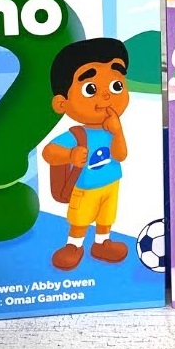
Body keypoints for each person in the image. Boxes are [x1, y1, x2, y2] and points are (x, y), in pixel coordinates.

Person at [42, 38, 130, 271]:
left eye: (116, 86)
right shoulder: (77, 133)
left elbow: (121, 155)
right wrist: (70, 155)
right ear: (61, 103)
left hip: (111, 183)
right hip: (85, 187)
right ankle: (74, 245)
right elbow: (49, 152)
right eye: (91, 89)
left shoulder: (112, 128)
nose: (107, 96)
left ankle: (102, 242)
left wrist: (118, 132)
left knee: (106, 216)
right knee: (80, 219)